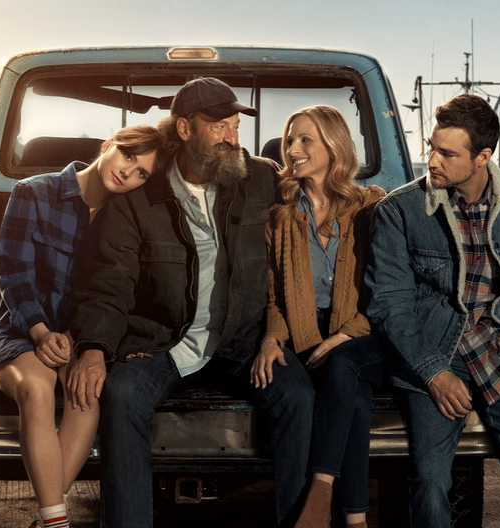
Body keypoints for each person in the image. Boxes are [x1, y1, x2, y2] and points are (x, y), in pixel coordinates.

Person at [67, 77, 315, 528]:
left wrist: (364, 199)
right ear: (184, 129)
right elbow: (109, 280)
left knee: (298, 395)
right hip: (162, 341)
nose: (232, 138)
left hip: (243, 339)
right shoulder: (139, 194)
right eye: (219, 127)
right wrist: (94, 349)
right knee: (121, 395)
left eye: (236, 126)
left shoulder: (259, 177)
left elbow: (318, 197)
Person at [0, 125, 166, 528]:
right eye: (128, 155)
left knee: (86, 398)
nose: (128, 172)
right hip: (21, 330)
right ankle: (56, 523)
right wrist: (41, 331)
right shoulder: (34, 192)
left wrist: (79, 338)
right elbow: (13, 274)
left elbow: (117, 290)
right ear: (111, 145)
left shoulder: (128, 216)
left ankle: (48, 517)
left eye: (142, 173)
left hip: (80, 340)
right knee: (36, 388)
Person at [365, 93, 500, 527]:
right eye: (432, 148)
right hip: (435, 349)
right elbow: (389, 304)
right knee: (429, 481)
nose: (432, 161)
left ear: (483, 157)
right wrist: (433, 372)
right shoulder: (399, 211)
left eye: (447, 153)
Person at [251, 105, 384, 528]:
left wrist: (344, 336)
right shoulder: (282, 216)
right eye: (290, 140)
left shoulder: (371, 208)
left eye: (305, 139)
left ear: (334, 145)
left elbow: (385, 292)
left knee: (347, 366)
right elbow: (275, 296)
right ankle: (356, 518)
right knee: (352, 393)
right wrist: (272, 338)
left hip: (365, 333)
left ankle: (323, 492)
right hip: (305, 334)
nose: (292, 149)